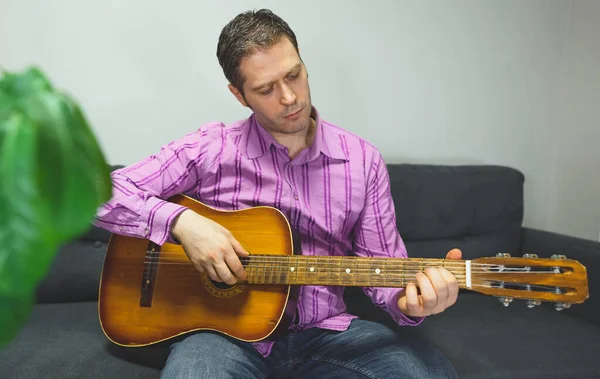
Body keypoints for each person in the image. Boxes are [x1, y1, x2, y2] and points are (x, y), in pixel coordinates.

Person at [95, 8, 461, 379]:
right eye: (266, 89)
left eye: (294, 75)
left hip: (328, 332)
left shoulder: (362, 161)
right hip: (222, 337)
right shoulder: (209, 148)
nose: (289, 97)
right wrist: (184, 224)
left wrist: (411, 302)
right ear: (239, 95)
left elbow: (382, 266)